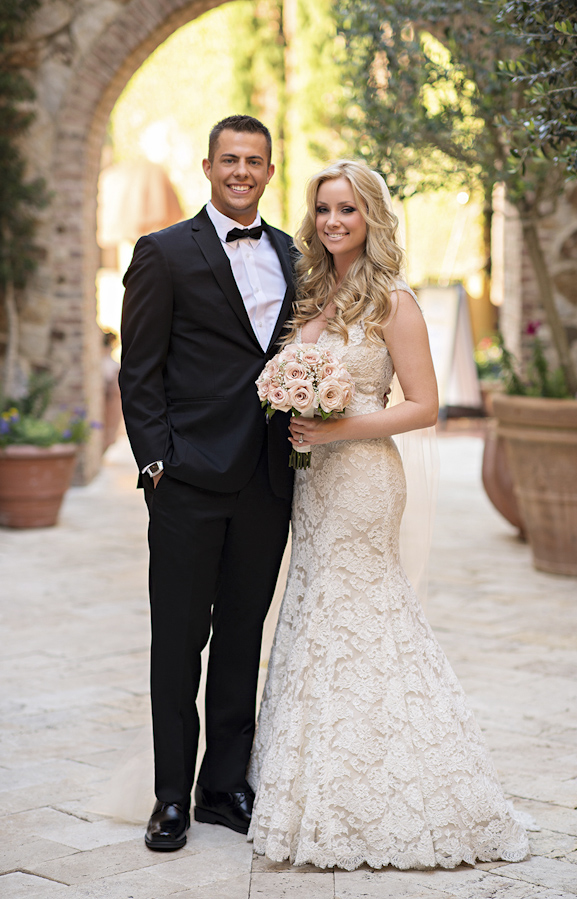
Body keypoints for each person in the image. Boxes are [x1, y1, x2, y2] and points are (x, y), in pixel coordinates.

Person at [247, 160, 529, 870]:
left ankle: (398, 787)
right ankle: (316, 781)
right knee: (313, 610)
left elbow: (424, 404)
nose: (333, 221)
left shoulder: (393, 300)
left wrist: (336, 429)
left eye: (347, 209)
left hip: (364, 478)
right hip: (315, 481)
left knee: (364, 611)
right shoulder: (316, 289)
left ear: (371, 216)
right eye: (323, 210)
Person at [119, 115, 295, 852]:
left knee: (240, 637)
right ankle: (170, 796)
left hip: (266, 477)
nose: (242, 171)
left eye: (254, 160)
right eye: (230, 159)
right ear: (208, 166)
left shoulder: (292, 252)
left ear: (269, 170)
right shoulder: (163, 253)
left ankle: (224, 787)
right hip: (188, 479)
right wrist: (157, 462)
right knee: (178, 641)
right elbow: (139, 368)